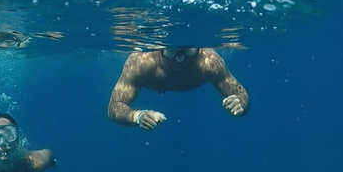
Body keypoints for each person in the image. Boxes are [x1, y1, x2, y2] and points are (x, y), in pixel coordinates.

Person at [107, 47, 249, 130]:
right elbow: (114, 106)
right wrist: (137, 116)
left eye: (188, 51)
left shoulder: (210, 62)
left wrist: (241, 103)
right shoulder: (141, 62)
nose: (180, 59)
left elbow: (241, 93)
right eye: (172, 51)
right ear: (160, 48)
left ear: (198, 48)